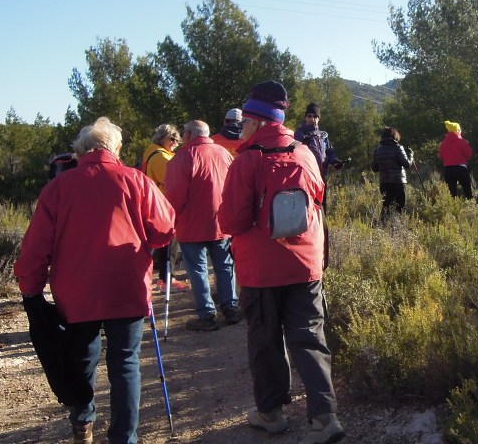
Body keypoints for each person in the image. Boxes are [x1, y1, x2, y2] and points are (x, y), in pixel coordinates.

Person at [15, 117, 176, 444]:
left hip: (77, 294)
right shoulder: (136, 180)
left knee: (81, 360)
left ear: (79, 151)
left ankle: (83, 425)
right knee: (126, 363)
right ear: (114, 148)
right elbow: (164, 231)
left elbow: (36, 247)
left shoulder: (58, 188)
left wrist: (30, 290)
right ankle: (123, 438)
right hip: (127, 286)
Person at [217, 81, 344, 444]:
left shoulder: (247, 160)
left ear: (257, 121)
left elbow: (232, 221)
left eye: (245, 121)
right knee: (310, 339)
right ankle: (325, 418)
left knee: (265, 341)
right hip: (306, 265)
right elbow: (318, 199)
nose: (241, 127)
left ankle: (271, 414)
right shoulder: (304, 152)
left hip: (261, 270)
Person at [164, 120, 239, 332]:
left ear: (188, 135)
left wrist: (171, 219)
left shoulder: (182, 158)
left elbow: (174, 196)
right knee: (224, 265)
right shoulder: (224, 154)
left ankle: (207, 315)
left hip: (192, 223)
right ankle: (231, 307)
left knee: (197, 269)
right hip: (221, 220)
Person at [143, 124, 189, 291]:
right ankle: (167, 279)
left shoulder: (155, 154)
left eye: (177, 139)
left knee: (166, 244)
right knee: (169, 244)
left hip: (161, 204)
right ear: (162, 138)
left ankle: (167, 278)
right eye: (172, 139)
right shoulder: (160, 157)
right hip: (165, 205)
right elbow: (173, 180)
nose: (176, 142)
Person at [371, 126, 414, 217]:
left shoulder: (377, 150)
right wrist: (410, 154)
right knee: (401, 207)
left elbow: (374, 168)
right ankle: (400, 227)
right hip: (398, 181)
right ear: (395, 136)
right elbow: (407, 164)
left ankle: (383, 227)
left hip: (384, 182)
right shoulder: (398, 148)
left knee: (386, 206)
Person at [438, 120, 473, 199]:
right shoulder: (462, 141)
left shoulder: (444, 142)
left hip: (448, 169)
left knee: (451, 193)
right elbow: (469, 154)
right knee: (467, 190)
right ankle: (471, 205)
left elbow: (441, 156)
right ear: (457, 130)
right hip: (461, 168)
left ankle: (453, 208)